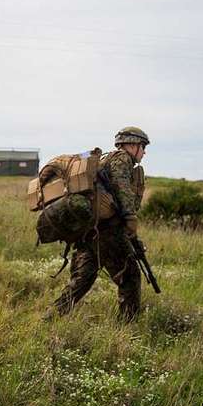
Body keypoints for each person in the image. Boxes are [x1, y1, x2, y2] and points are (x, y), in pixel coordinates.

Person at [50, 126, 149, 322]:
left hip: (92, 230)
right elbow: (122, 188)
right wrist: (130, 218)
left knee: (82, 279)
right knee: (130, 277)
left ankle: (50, 317)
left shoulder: (105, 159)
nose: (144, 152)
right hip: (109, 231)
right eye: (142, 146)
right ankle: (128, 326)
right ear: (130, 144)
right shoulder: (122, 159)